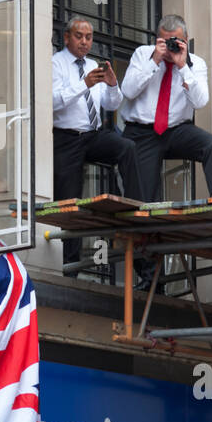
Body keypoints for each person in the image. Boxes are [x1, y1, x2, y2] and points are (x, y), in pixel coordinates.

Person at [51, 16, 142, 264]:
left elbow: (111, 104)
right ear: (67, 37)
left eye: (89, 37)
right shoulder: (55, 63)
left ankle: (135, 204)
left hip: (93, 134)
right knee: (69, 202)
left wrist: (112, 85)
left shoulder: (93, 64)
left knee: (126, 147)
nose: (84, 42)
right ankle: (69, 264)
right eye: (79, 36)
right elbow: (53, 103)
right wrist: (84, 84)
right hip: (66, 137)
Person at [120, 14, 212, 203]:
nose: (169, 47)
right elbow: (128, 91)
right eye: (164, 41)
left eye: (174, 41)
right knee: (142, 199)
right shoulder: (143, 54)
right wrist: (154, 61)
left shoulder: (195, 63)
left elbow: (200, 102)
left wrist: (183, 66)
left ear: (184, 41)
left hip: (177, 130)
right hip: (142, 132)